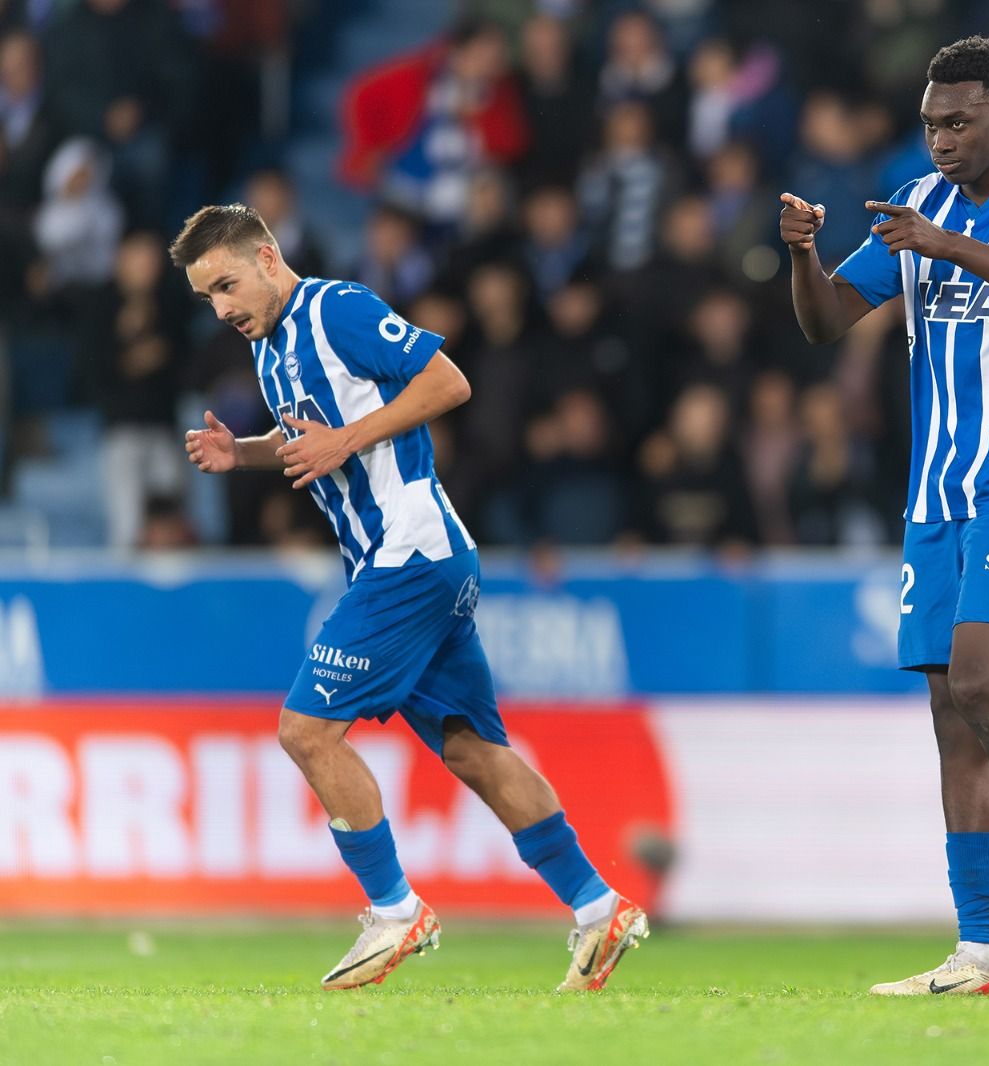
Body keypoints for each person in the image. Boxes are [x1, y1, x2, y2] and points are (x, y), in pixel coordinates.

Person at [169, 204, 646, 992]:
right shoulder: (272, 352)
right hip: (406, 561)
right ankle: (599, 909)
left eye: (225, 284)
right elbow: (316, 437)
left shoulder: (337, 309)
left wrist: (346, 441)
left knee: (306, 731)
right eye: (205, 298)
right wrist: (244, 453)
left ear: (265, 256)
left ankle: (395, 911)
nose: (220, 308)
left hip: (410, 553)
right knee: (472, 749)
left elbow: (447, 382)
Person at [781, 36, 989, 997]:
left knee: (981, 681)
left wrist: (953, 246)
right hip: (939, 490)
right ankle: (977, 949)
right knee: (949, 713)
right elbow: (827, 319)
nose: (942, 142)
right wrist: (802, 257)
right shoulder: (914, 207)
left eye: (959, 123)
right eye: (930, 126)